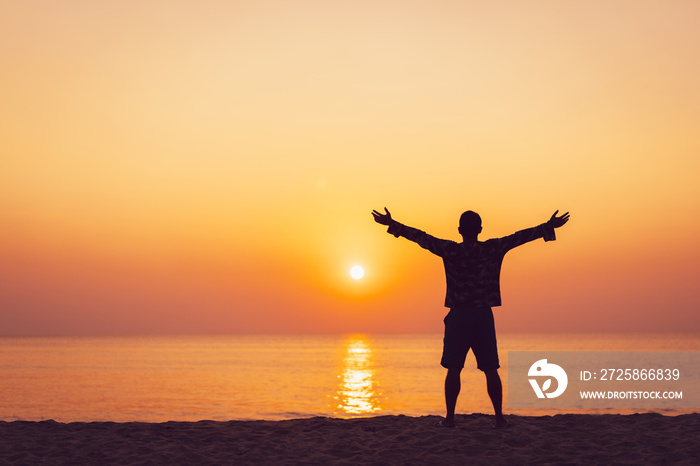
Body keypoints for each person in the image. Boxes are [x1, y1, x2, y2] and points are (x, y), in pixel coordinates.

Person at [371, 207, 570, 428]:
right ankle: (499, 418)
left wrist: (393, 224)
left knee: (454, 368)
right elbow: (518, 238)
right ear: (480, 229)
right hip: (483, 315)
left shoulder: (450, 250)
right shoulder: (491, 248)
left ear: (459, 230)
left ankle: (449, 419)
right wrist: (547, 227)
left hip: (459, 316)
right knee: (490, 369)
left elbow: (421, 238)